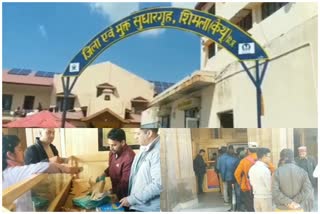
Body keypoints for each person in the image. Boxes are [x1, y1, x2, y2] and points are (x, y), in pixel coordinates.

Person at [2, 135, 82, 212]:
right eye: (19, 149)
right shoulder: (12, 172)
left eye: (53, 132)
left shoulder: (53, 147)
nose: (23, 152)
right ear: (10, 155)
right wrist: (68, 169)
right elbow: (43, 166)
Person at [119, 128, 161, 212]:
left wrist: (132, 199)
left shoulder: (158, 151)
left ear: (149, 133)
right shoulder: (144, 147)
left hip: (148, 208)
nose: (135, 137)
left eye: (138, 134)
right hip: (138, 205)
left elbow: (158, 185)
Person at [96, 129, 135, 205]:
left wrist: (112, 193)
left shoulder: (129, 157)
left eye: (114, 145)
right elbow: (112, 166)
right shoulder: (113, 152)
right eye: (109, 145)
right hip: (115, 191)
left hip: (125, 196)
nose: (110, 148)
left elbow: (125, 183)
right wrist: (104, 173)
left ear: (123, 142)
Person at [248, 148, 273, 212]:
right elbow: (269, 187)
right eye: (269, 156)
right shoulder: (265, 169)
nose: (270, 158)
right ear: (264, 156)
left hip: (256, 197)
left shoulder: (252, 168)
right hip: (265, 197)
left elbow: (251, 183)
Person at [218, 145, 240, 210]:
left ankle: (232, 207)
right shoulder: (236, 158)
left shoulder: (222, 158)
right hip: (236, 178)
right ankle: (237, 207)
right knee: (237, 192)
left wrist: (223, 177)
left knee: (231, 192)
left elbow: (222, 168)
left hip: (228, 178)